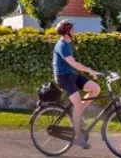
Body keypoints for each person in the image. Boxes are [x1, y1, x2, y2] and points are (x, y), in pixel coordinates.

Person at [52, 20, 101, 149]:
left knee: (95, 89)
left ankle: (78, 113)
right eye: (73, 29)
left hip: (71, 75)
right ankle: (78, 137)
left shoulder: (68, 43)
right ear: (67, 32)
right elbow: (73, 63)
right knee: (78, 104)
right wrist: (89, 70)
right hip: (63, 77)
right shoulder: (62, 45)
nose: (75, 31)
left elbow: (73, 66)